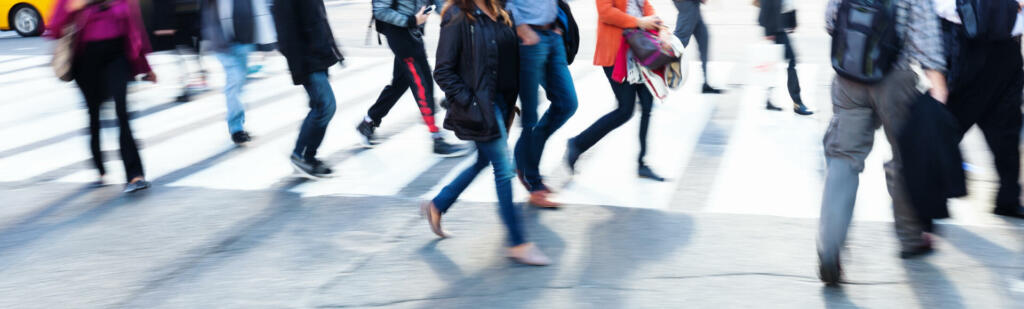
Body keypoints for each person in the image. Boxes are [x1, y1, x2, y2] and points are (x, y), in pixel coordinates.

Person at [819, 0, 948, 285]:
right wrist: (937, 82)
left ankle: (830, 245)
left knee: (843, 158)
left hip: (848, 74)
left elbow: (831, 18)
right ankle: (911, 236)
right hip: (894, 77)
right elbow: (924, 33)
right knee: (906, 155)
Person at [422, 0, 551, 266]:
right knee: (503, 170)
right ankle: (517, 242)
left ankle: (437, 205)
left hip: (501, 104)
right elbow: (443, 71)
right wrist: (471, 103)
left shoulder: (501, 12)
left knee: (483, 160)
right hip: (482, 106)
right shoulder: (457, 16)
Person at [47, 0, 155, 193]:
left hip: (117, 57)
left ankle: (134, 175)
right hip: (86, 61)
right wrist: (72, 9)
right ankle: (99, 167)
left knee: (123, 113)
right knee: (94, 114)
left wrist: (145, 67)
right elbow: (54, 28)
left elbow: (135, 29)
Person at [937, 0, 1024, 219]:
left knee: (1007, 128)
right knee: (950, 123)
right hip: (968, 44)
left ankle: (1008, 198)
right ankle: (914, 184)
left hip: (1008, 47)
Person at [564, 0, 667, 182]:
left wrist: (660, 25)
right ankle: (578, 143)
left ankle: (642, 163)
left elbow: (644, 6)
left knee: (647, 104)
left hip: (640, 49)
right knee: (625, 110)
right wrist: (639, 22)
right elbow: (606, 12)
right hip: (616, 53)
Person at [360, 0, 467, 156]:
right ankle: (436, 137)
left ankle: (368, 122)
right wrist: (412, 20)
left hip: (412, 31)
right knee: (422, 83)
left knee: (400, 83)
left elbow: (438, 3)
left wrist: (460, 17)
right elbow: (380, 10)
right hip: (400, 34)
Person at [505, 0, 579, 208]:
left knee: (567, 103)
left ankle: (523, 157)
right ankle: (534, 183)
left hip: (552, 34)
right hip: (527, 37)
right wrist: (520, 27)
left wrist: (557, 24)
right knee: (530, 115)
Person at [272, 0, 342, 178]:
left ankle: (307, 156)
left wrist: (334, 50)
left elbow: (320, 20)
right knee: (325, 105)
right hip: (306, 61)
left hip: (318, 57)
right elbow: (285, 33)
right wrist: (299, 67)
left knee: (320, 106)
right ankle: (301, 156)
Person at [201, 0, 276, 145]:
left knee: (239, 83)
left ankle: (238, 124)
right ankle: (236, 129)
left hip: (244, 41)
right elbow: (208, 16)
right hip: (223, 44)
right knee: (235, 81)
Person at [757, 0, 812, 115]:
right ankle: (797, 103)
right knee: (790, 62)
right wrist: (769, 31)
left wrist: (792, 21)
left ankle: (769, 99)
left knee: (775, 63)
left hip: (779, 26)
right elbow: (766, 4)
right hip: (775, 29)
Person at [150, 0, 208, 102]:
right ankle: (197, 76)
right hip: (188, 14)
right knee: (188, 52)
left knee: (184, 53)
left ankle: (190, 84)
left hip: (178, 16)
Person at [672, 0, 722, 94]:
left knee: (704, 37)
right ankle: (653, 78)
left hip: (694, 5)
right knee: (678, 44)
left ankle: (705, 83)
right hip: (686, 4)